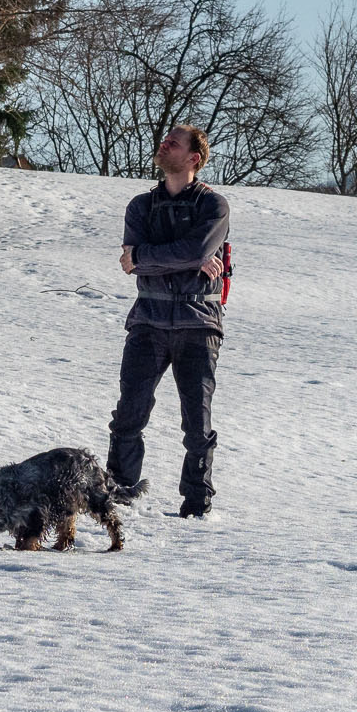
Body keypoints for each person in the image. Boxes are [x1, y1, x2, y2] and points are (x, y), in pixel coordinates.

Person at [108, 124, 229, 518]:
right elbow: (131, 261)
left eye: (173, 143)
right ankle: (119, 492)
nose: (165, 144)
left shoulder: (214, 207)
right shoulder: (140, 206)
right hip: (148, 322)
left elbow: (190, 248)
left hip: (199, 325)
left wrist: (147, 255)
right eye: (165, 141)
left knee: (197, 422)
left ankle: (197, 503)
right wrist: (188, 258)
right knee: (130, 413)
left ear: (194, 158)